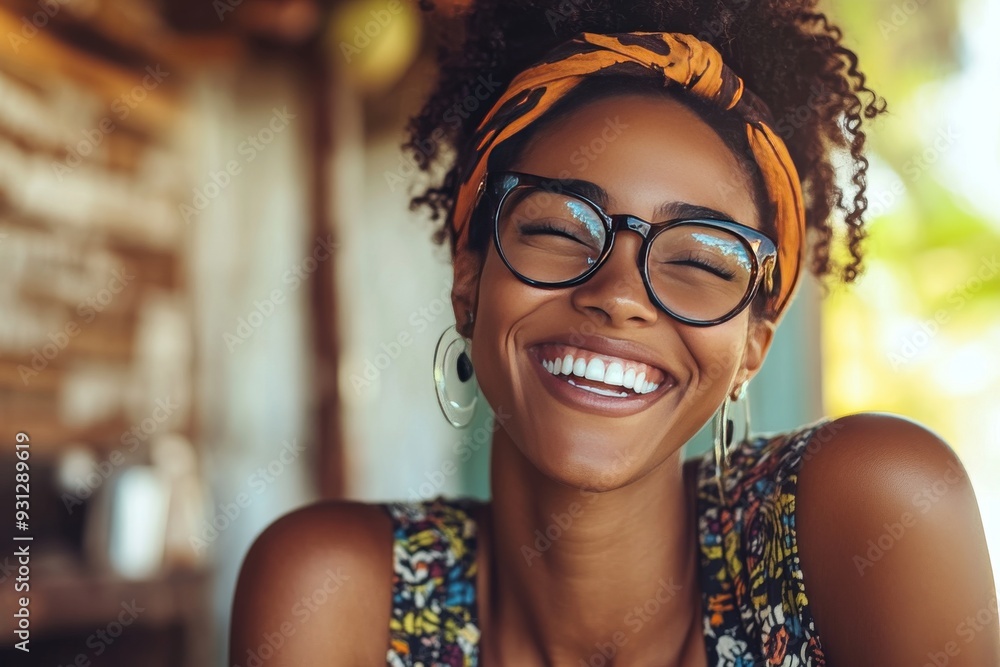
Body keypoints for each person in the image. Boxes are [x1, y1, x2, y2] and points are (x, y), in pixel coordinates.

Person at [229, 1, 999, 665]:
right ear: (470, 277)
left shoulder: (878, 513)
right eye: (561, 227)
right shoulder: (335, 594)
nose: (619, 295)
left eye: (700, 257)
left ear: (754, 346)